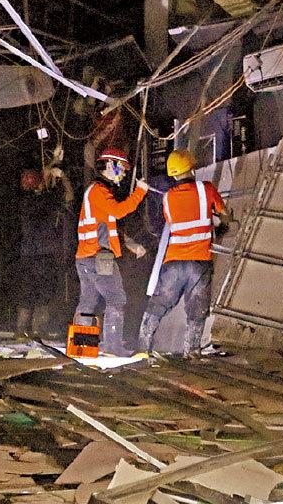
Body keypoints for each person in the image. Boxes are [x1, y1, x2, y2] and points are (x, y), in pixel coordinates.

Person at [137, 149, 231, 357]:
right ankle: (192, 352)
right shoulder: (206, 189)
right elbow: (224, 215)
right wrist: (221, 227)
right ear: (192, 167)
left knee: (159, 304)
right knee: (197, 310)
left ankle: (143, 349)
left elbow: (172, 222)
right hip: (200, 262)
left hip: (174, 262)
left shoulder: (168, 198)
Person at [73, 147, 148, 356]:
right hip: (100, 256)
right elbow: (118, 211)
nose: (124, 173)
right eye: (122, 168)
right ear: (110, 165)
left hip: (86, 256)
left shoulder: (96, 192)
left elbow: (108, 226)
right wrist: (140, 191)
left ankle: (82, 346)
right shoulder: (99, 191)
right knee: (116, 299)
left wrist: (131, 246)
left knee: (88, 301)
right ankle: (113, 348)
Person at [15, 168, 72, 338]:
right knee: (44, 292)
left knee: (27, 291)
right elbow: (69, 196)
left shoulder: (24, 201)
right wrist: (62, 176)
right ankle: (38, 330)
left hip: (27, 255)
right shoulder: (47, 200)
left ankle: (21, 330)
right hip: (44, 254)